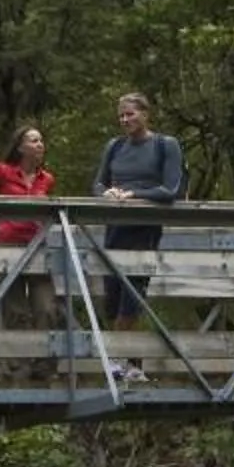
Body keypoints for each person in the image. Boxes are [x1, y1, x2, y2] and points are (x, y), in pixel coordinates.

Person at [91, 91, 183, 326]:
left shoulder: (165, 145)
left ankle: (126, 360)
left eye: (130, 114)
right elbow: (98, 184)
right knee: (111, 300)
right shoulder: (114, 146)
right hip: (114, 228)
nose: (124, 120)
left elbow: (171, 190)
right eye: (121, 116)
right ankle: (125, 360)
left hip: (144, 229)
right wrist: (106, 193)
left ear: (145, 114)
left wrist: (135, 195)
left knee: (131, 299)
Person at [0, 124, 56, 339]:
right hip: (9, 245)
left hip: (38, 246)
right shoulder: (2, 171)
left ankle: (45, 367)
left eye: (41, 141)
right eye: (34, 140)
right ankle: (19, 368)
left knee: (46, 307)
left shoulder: (46, 179)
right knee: (15, 309)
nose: (40, 145)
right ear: (20, 148)